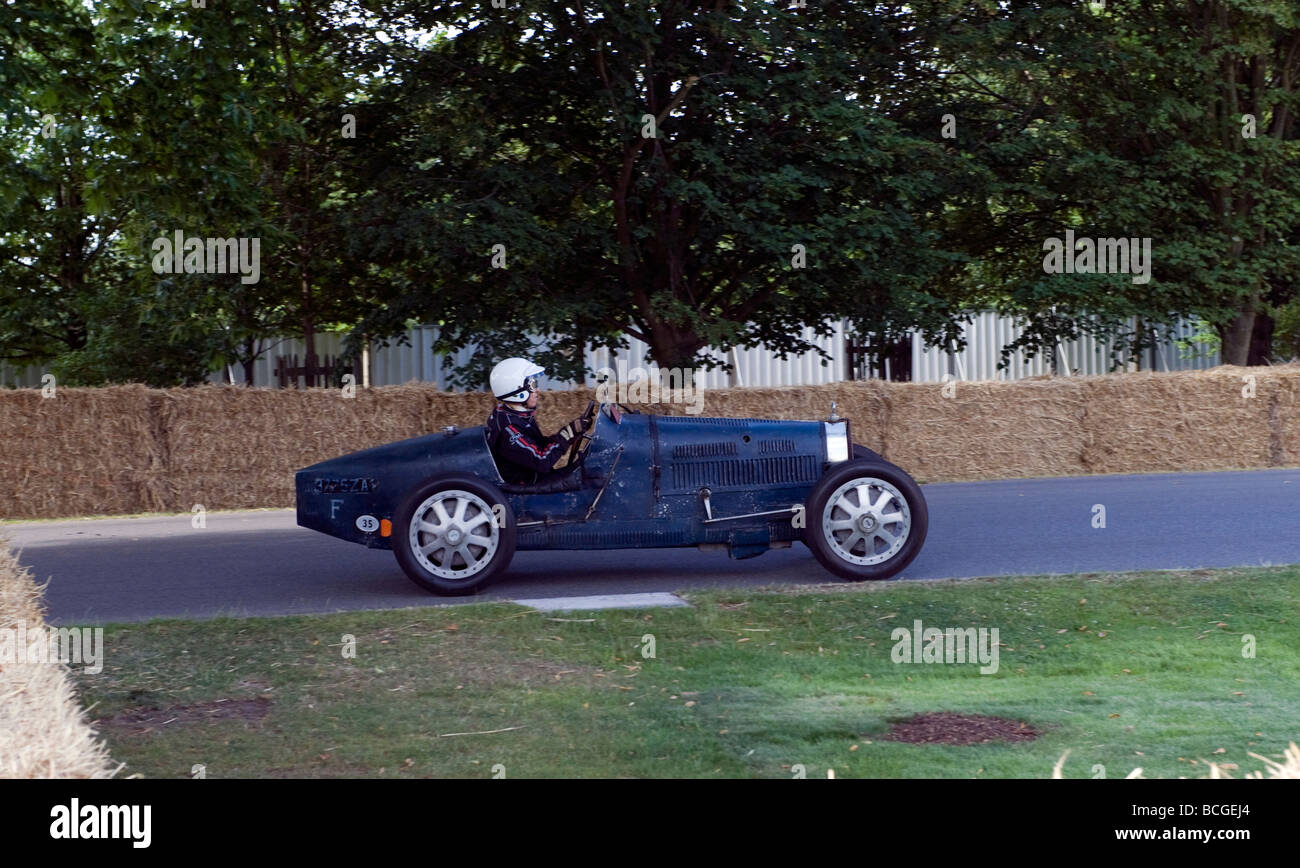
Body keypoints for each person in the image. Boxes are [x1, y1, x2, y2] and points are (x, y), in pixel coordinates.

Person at [485, 357, 593, 485]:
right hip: (529, 486)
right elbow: (542, 460)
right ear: (517, 391)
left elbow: (539, 445)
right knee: (590, 482)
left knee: (588, 470)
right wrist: (567, 434)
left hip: (536, 477)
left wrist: (572, 431)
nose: (537, 390)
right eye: (532, 385)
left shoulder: (516, 415)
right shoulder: (509, 428)